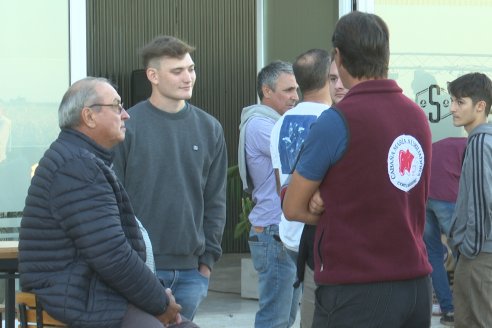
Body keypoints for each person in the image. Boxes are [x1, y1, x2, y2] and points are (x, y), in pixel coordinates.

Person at [283, 11, 433, 327]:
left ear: (337, 57)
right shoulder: (417, 117)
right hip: (416, 285)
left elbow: (293, 207)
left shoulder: (338, 120)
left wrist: (327, 207)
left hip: (357, 289)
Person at [18, 77, 197, 328]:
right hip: (77, 295)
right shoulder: (76, 166)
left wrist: (159, 296)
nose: (126, 115)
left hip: (90, 290)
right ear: (89, 116)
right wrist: (160, 303)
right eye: (116, 106)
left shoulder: (82, 159)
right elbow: (113, 256)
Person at [112, 35, 227, 321]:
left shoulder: (210, 128)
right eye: (177, 71)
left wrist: (206, 264)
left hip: (192, 272)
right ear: (153, 75)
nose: (188, 77)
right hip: (140, 269)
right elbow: (112, 200)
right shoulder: (126, 126)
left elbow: (215, 200)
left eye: (191, 69)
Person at [288, 53, 348, 328]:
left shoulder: (377, 127)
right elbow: (290, 199)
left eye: (342, 77)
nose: (338, 85)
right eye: (332, 78)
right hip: (317, 256)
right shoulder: (324, 126)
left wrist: (330, 194)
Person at [238, 60, 299, 328]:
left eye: (297, 89)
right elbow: (301, 154)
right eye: (287, 90)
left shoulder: (279, 122)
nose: (295, 96)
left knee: (285, 317)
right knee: (274, 319)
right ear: (266, 90)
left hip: (282, 230)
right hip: (274, 232)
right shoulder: (262, 125)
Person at [448, 72, 492, 328]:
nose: (453, 108)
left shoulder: (479, 143)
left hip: (478, 258)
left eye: (460, 102)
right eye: (452, 101)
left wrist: (468, 250)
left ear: (480, 106)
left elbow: (481, 203)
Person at [424, 136, 466, 326]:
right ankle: (467, 308)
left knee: (433, 253)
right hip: (446, 196)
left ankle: (448, 310)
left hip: (423, 195)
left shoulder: (454, 143)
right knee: (463, 252)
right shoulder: (480, 145)